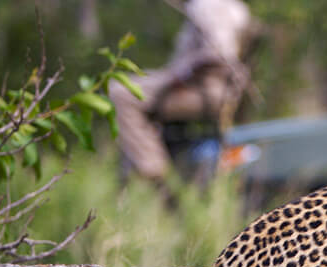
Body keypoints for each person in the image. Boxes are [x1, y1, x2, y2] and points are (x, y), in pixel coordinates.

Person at [109, 0, 254, 182]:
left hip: (204, 91)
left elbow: (218, 53)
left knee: (121, 93)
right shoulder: (230, 6)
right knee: (130, 84)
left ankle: (153, 172)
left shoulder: (212, 6)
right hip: (208, 89)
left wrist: (180, 77)